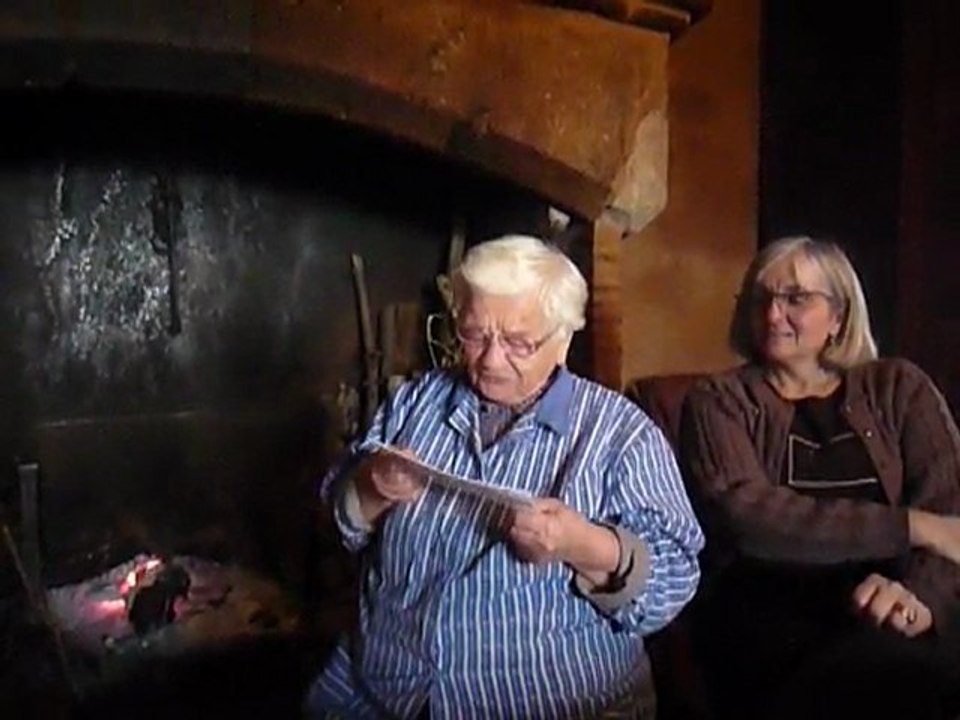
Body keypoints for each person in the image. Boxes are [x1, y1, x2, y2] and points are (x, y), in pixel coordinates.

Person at [305, 234, 703, 719]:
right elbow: (338, 516)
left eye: (518, 342)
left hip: (554, 705)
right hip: (384, 693)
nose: (490, 361)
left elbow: (674, 583)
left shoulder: (620, 433)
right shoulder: (416, 402)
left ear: (563, 339)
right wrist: (370, 487)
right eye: (473, 335)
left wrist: (584, 545)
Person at [681, 236, 960, 719]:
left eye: (795, 298)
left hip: (894, 596)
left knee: (907, 665)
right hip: (772, 606)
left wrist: (921, 598)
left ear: (838, 317)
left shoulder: (899, 387)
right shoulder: (719, 398)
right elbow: (745, 516)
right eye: (761, 298)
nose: (772, 315)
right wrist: (909, 526)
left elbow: (952, 515)